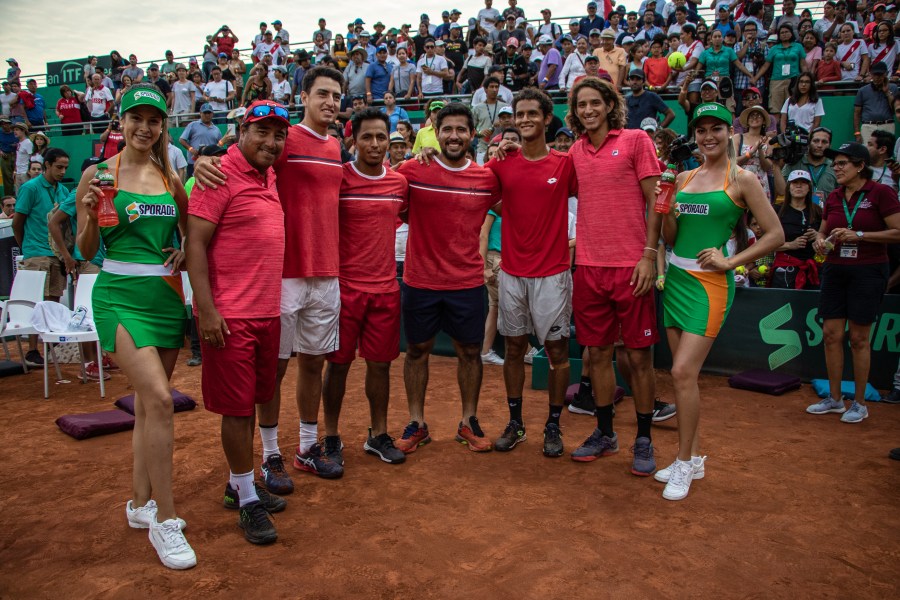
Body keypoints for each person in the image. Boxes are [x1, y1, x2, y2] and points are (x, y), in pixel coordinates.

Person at [194, 67, 347, 490]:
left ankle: (306, 446)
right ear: (304, 96)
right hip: (279, 276)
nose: (330, 102)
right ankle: (271, 454)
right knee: (272, 370)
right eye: (322, 94)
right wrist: (201, 157)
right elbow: (234, 155)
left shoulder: (336, 146)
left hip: (325, 271)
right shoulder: (281, 136)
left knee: (313, 363)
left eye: (336, 95)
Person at [75, 85, 194, 568]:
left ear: (163, 125)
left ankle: (139, 506)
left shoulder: (170, 178)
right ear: (120, 122)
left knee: (149, 406)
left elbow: (191, 231)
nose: (144, 128)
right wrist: (86, 217)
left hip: (165, 297)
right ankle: (166, 521)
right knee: (162, 400)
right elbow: (85, 250)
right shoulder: (99, 173)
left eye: (153, 120)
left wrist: (185, 249)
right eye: (135, 119)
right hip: (117, 296)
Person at [658, 102, 783, 500]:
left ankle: (682, 463)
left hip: (710, 286)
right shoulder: (682, 177)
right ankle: (693, 457)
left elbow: (774, 235)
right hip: (676, 279)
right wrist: (664, 204)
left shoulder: (743, 178)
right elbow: (673, 238)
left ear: (730, 132)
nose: (708, 136)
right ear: (694, 135)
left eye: (716, 129)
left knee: (680, 373)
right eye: (701, 130)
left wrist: (730, 260)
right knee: (684, 378)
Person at [187, 100, 290, 545]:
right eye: (261, 132)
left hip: (266, 312)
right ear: (242, 131)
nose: (271, 142)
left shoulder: (268, 175)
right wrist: (206, 310)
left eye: (278, 135)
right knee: (235, 408)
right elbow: (194, 244)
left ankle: (238, 485)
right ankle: (247, 499)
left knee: (251, 401)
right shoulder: (218, 173)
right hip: (230, 317)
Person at [565, 77, 661, 475]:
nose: (587, 110)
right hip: (588, 267)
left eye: (594, 103)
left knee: (638, 358)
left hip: (631, 266)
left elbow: (657, 201)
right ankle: (605, 432)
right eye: (580, 105)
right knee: (597, 355)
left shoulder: (637, 140)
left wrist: (649, 256)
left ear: (608, 105)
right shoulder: (574, 150)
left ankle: (643, 438)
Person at [395, 103, 501, 454]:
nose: (454, 136)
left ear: (472, 134)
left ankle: (468, 421)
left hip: (467, 282)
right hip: (420, 280)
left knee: (470, 352)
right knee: (417, 350)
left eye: (461, 130)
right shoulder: (413, 170)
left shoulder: (487, 177)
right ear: (436, 133)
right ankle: (417, 422)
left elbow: (518, 206)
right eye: (447, 130)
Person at [485, 88, 578, 456]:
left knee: (557, 352)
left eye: (531, 114)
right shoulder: (501, 163)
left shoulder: (564, 163)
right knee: (513, 349)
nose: (524, 120)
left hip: (553, 273)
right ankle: (516, 422)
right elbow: (482, 197)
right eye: (519, 114)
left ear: (546, 118)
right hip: (512, 271)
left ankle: (552, 426)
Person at [322, 108, 409, 466]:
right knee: (338, 366)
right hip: (344, 290)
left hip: (386, 289)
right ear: (352, 140)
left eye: (381, 137)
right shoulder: (337, 179)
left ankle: (378, 434)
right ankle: (330, 436)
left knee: (380, 366)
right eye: (367, 137)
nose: (375, 144)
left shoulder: (399, 184)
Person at [808, 142, 900, 424]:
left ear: (861, 166)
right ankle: (835, 399)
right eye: (835, 164)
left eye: (843, 163)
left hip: (869, 271)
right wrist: (820, 243)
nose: (837, 167)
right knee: (832, 335)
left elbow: (897, 232)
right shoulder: (834, 196)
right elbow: (821, 234)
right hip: (835, 270)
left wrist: (859, 234)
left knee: (859, 339)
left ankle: (859, 403)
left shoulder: (882, 192)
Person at [12, 147, 70, 367]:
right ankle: (32, 350)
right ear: (46, 165)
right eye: (59, 167)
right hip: (36, 253)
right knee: (34, 301)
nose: (63, 171)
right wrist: (27, 247)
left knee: (53, 300)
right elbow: (18, 222)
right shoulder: (30, 188)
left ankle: (49, 347)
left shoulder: (63, 190)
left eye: (65, 167)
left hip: (56, 254)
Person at [770, 170, 822, 289]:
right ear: (789, 187)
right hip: (785, 268)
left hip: (812, 268)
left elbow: (827, 238)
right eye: (795, 182)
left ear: (809, 188)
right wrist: (789, 245)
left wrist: (818, 235)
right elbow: (763, 241)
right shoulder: (777, 210)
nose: (799, 186)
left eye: (803, 183)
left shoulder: (817, 211)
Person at [735, 105, 773, 199]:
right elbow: (734, 161)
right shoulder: (738, 137)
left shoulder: (768, 140)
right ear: (747, 121)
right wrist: (751, 152)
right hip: (740, 180)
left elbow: (767, 166)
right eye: (752, 115)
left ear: (764, 121)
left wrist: (760, 150)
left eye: (758, 115)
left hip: (760, 183)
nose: (755, 117)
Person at [853, 61, 896, 144]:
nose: (877, 77)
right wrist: (857, 133)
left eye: (880, 74)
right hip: (868, 126)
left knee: (886, 152)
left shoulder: (893, 88)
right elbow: (857, 113)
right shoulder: (863, 91)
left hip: (887, 125)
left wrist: (887, 92)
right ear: (871, 74)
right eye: (875, 74)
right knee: (868, 153)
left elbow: (895, 109)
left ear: (886, 74)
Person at [180, 105, 222, 177]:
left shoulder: (216, 130)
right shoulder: (193, 125)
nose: (207, 115)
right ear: (200, 113)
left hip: (210, 163)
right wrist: (191, 149)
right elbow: (182, 140)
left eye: (209, 113)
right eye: (205, 113)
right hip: (194, 162)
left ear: (212, 114)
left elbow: (219, 145)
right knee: (192, 185)